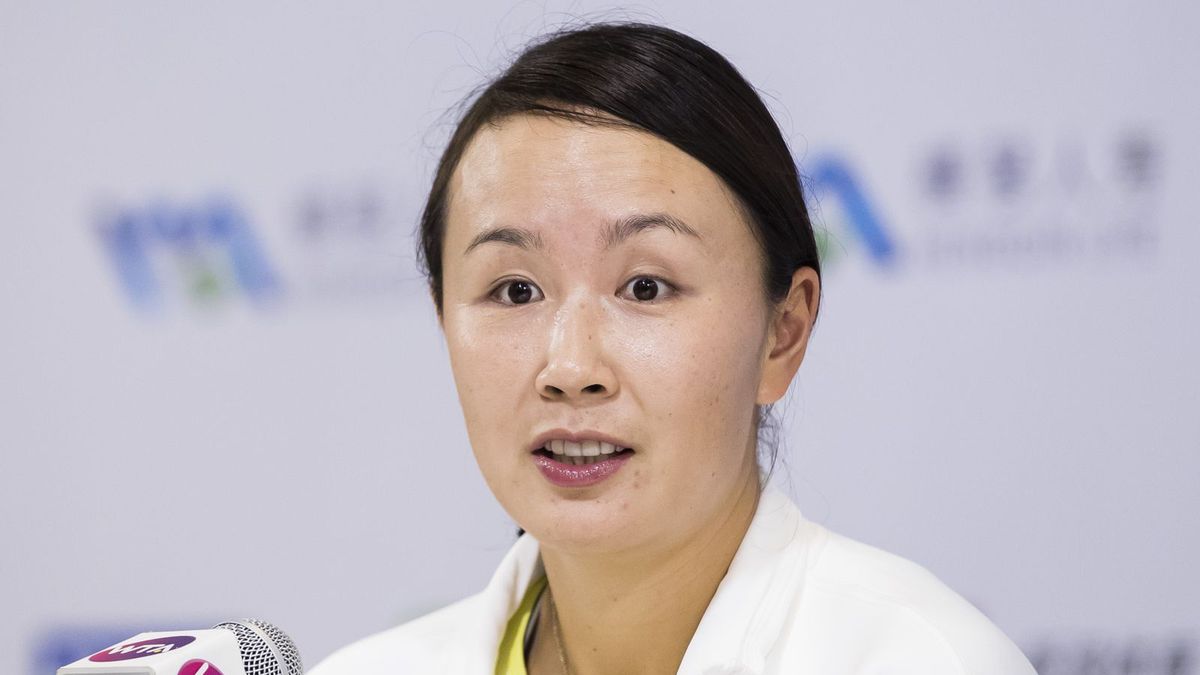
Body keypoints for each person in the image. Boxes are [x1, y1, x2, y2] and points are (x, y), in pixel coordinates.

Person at [310, 21, 1036, 675]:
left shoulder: (925, 661)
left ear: (783, 333)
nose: (571, 369)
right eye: (516, 291)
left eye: (646, 287)